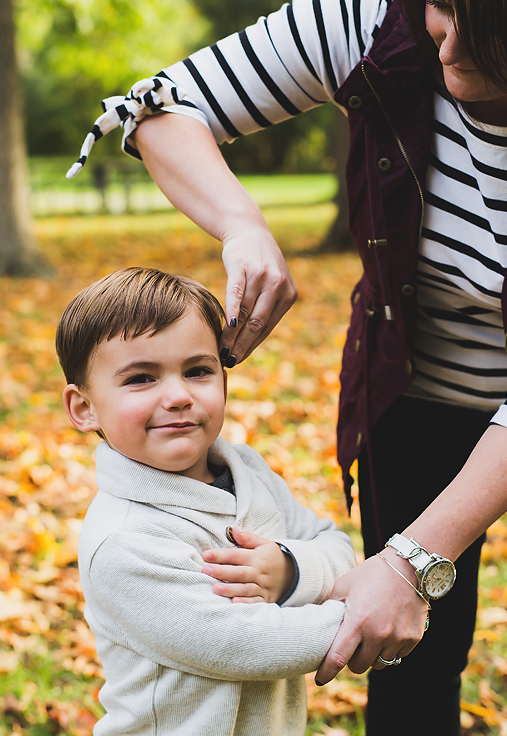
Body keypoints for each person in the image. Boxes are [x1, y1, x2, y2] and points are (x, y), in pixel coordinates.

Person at [67, 0, 507, 732]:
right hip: (415, 392)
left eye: (479, 24)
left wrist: (415, 561)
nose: (439, 39)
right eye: (437, 1)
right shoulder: (382, 9)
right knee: (413, 677)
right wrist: (239, 223)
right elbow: (160, 106)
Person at [57, 267, 357, 736]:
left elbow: (334, 546)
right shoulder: (123, 539)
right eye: (141, 378)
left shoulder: (248, 472)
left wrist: (292, 569)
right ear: (84, 407)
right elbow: (243, 645)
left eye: (197, 371)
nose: (178, 396)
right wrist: (366, 611)